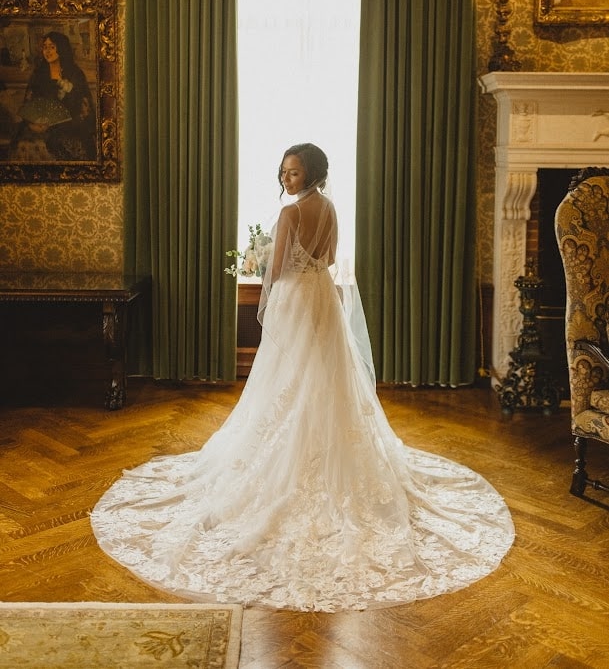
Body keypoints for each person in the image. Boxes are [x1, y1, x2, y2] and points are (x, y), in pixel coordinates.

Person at [91, 143, 514, 612]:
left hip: (296, 297)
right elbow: (330, 259)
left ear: (309, 173)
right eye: (284, 172)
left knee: (289, 376)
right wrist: (298, 266)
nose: (287, 178)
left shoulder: (291, 214)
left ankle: (293, 452)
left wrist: (260, 266)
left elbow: (273, 273)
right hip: (322, 297)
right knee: (324, 376)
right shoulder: (330, 208)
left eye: (293, 172)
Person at [9, 31, 96, 162]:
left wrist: (70, 91)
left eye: (52, 47)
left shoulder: (75, 73)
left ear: (61, 48)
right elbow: (29, 103)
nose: (47, 51)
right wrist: (34, 122)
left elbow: (84, 106)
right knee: (22, 140)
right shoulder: (39, 73)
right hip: (40, 124)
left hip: (70, 122)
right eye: (45, 47)